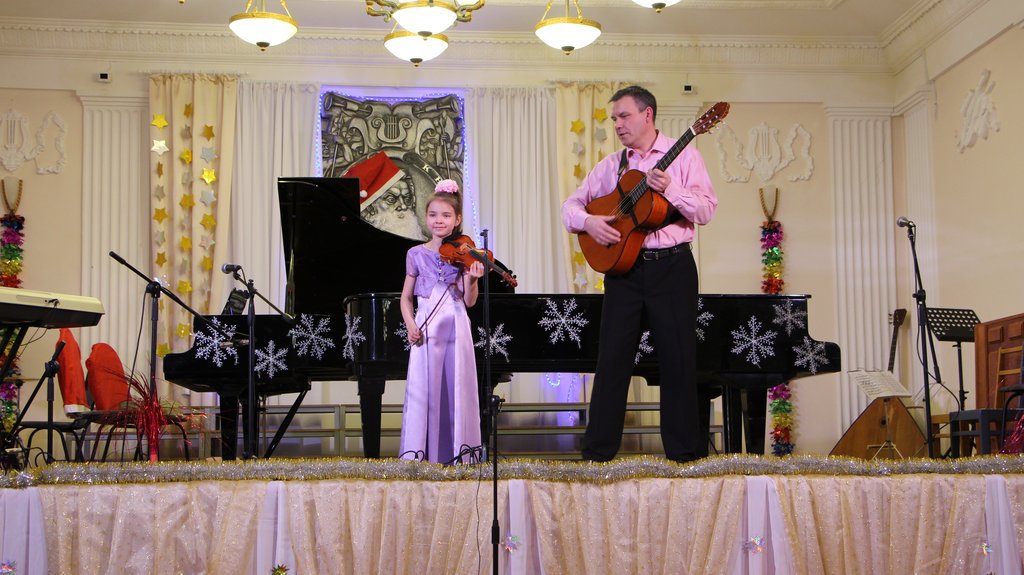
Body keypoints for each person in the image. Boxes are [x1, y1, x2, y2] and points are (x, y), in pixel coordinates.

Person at [561, 85, 718, 463]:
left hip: (673, 268)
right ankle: (597, 455)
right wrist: (589, 222)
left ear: (648, 115)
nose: (617, 124)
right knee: (611, 361)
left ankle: (683, 456)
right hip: (624, 273)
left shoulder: (685, 156)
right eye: (614, 118)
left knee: (678, 361)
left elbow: (706, 210)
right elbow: (570, 207)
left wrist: (673, 189)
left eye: (624, 116)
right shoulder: (612, 165)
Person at [399, 179, 485, 464]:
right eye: (433, 214)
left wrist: (472, 279)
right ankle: (422, 455)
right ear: (426, 217)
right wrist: (410, 324)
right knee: (425, 391)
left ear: (457, 220)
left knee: (456, 386)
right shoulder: (415, 254)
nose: (439, 220)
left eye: (446, 215)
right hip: (426, 328)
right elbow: (405, 298)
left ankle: (459, 453)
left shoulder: (464, 254)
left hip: (456, 326)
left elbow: (469, 301)